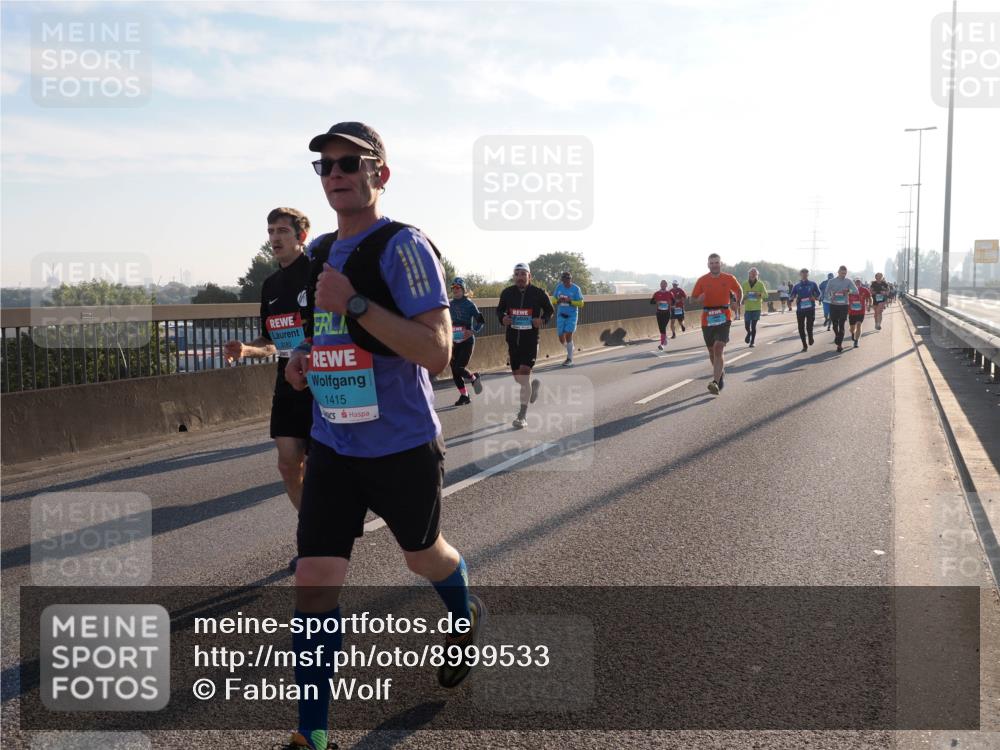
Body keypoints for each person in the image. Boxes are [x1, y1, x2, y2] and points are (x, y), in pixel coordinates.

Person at [283, 122, 483, 750]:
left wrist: (357, 306)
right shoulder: (318, 254)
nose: (336, 173)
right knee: (313, 585)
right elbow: (328, 330)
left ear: (380, 175)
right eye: (326, 166)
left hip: (400, 444)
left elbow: (437, 353)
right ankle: (311, 738)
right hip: (334, 443)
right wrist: (305, 355)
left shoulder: (404, 248)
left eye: (351, 162)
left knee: (423, 557)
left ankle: (464, 612)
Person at [224, 207, 313, 574]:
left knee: (326, 470)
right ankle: (313, 533)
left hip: (324, 381)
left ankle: (320, 538)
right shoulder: (271, 286)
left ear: (301, 236)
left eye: (282, 231)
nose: (274, 238)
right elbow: (272, 341)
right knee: (288, 464)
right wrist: (247, 349)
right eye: (270, 231)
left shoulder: (319, 273)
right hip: (286, 382)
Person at [497, 263, 554, 428]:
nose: (520, 277)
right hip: (513, 340)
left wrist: (542, 320)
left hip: (530, 340)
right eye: (517, 274)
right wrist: (503, 319)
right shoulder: (507, 293)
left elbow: (550, 310)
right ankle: (532, 387)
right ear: (514, 276)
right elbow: (499, 311)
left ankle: (522, 416)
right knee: (519, 379)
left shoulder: (538, 293)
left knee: (523, 374)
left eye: (523, 274)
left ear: (529, 276)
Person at [690, 253, 742, 394]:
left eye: (716, 262)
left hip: (724, 316)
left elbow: (738, 290)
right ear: (708, 265)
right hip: (707, 318)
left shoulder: (729, 278)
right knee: (712, 352)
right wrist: (698, 299)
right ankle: (720, 374)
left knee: (718, 348)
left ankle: (715, 381)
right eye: (712, 263)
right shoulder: (702, 280)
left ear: (721, 263)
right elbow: (692, 299)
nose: (714, 265)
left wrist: (737, 302)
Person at [449, 277, 485, 405]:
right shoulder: (450, 304)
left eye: (458, 288)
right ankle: (464, 395)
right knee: (454, 370)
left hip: (466, 341)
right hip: (453, 342)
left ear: (463, 289)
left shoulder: (470, 304)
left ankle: (474, 378)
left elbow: (481, 320)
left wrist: (473, 330)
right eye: (453, 288)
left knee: (459, 368)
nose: (455, 290)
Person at [551, 270, 584, 366]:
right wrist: (558, 300)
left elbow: (581, 303)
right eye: (564, 280)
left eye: (567, 280)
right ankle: (570, 348)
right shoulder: (559, 287)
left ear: (570, 279)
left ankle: (569, 358)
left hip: (572, 315)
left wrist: (570, 302)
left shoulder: (576, 289)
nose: (565, 282)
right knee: (561, 338)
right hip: (561, 315)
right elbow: (553, 299)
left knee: (568, 335)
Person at [825, 265, 858, 353]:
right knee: (835, 324)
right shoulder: (831, 281)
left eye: (845, 273)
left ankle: (839, 345)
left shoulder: (848, 281)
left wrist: (848, 291)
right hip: (834, 305)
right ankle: (837, 336)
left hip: (844, 305)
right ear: (838, 272)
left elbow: (856, 291)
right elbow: (827, 292)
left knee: (842, 324)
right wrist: (830, 297)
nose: (843, 275)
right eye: (842, 273)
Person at [789, 268, 821, 352]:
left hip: (810, 308)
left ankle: (810, 337)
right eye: (803, 273)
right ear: (800, 274)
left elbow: (819, 294)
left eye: (806, 273)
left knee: (809, 326)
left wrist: (815, 298)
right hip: (800, 309)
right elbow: (792, 295)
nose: (804, 275)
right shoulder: (797, 285)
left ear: (808, 274)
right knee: (801, 327)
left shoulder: (812, 284)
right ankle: (804, 345)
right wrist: (792, 299)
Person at [740, 267, 768, 347]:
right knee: (746, 325)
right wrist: (743, 298)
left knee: (753, 325)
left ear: (757, 275)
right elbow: (741, 294)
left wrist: (759, 294)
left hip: (757, 308)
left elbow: (766, 295)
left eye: (754, 273)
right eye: (751, 273)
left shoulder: (760, 284)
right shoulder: (745, 284)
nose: (753, 275)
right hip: (748, 308)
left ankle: (752, 342)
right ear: (749, 274)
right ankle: (749, 333)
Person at [847, 276, 872, 348]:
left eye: (859, 282)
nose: (857, 283)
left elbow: (870, 297)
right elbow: (844, 298)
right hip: (852, 312)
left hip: (861, 312)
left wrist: (869, 305)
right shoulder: (849, 290)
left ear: (861, 283)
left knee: (859, 325)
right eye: (856, 282)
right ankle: (852, 333)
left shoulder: (864, 290)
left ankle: (856, 340)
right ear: (854, 283)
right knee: (852, 328)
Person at [650, 279, 675, 350]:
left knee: (663, 326)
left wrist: (669, 303)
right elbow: (651, 302)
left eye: (664, 284)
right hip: (659, 313)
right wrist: (657, 302)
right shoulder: (657, 293)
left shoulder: (670, 293)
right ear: (660, 285)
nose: (663, 285)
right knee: (661, 328)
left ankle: (662, 343)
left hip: (667, 313)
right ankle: (664, 340)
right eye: (662, 284)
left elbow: (674, 302)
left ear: (666, 285)